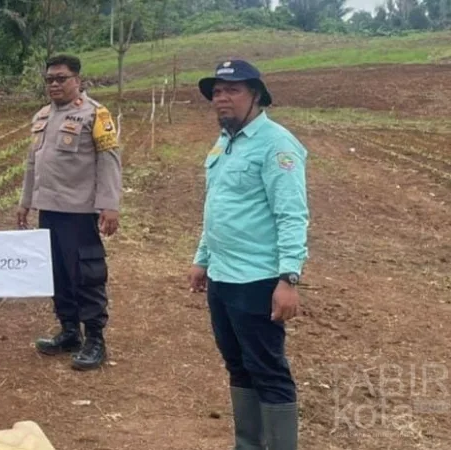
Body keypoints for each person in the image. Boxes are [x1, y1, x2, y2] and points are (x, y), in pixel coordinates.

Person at [189, 59, 309, 450]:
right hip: (223, 278)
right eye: (217, 92)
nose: (221, 98)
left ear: (256, 95)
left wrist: (289, 277)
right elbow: (217, 206)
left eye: (232, 90)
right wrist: (203, 257)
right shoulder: (225, 142)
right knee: (238, 365)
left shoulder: (277, 144)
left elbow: (291, 213)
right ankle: (248, 444)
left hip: (257, 279)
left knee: (267, 369)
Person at [17, 54, 122, 371]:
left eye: (61, 78)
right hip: (48, 210)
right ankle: (69, 331)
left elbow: (109, 161)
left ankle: (94, 340)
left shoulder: (95, 115)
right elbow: (33, 164)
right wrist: (25, 202)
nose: (54, 84)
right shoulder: (43, 116)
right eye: (49, 79)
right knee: (57, 273)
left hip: (79, 211)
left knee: (85, 275)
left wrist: (110, 204)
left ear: (78, 80)